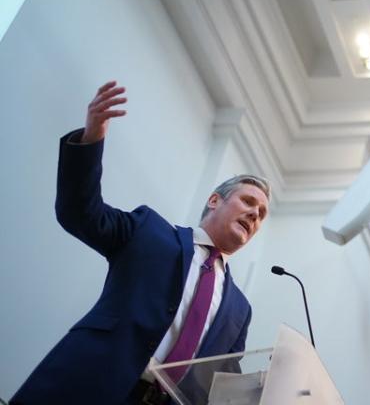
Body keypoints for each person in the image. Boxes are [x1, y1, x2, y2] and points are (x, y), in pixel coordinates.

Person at [12, 81, 271, 404]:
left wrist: (270, 387)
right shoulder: (150, 231)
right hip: (87, 387)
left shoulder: (240, 309)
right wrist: (92, 138)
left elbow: (223, 381)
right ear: (215, 200)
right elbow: (80, 213)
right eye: (248, 201)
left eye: (261, 213)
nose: (254, 214)